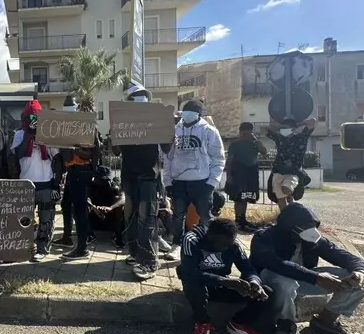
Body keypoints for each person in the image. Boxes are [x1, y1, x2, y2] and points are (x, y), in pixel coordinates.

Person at [250, 203, 364, 334]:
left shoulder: (313, 240)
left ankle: (326, 321)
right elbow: (275, 263)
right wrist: (316, 277)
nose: (307, 237)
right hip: (270, 283)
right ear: (288, 228)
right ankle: (285, 324)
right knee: (285, 282)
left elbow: (347, 257)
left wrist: (362, 271)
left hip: (305, 279)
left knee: (359, 281)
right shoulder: (264, 236)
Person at [178, 218, 273, 334]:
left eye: (229, 244)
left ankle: (239, 324)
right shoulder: (192, 239)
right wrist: (223, 280)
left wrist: (254, 282)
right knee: (193, 283)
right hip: (198, 284)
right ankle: (202, 322)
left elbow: (247, 268)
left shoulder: (233, 244)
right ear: (211, 237)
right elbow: (189, 271)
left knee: (266, 293)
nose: (227, 248)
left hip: (221, 286)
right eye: (223, 245)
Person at [114, 83, 173, 279]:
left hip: (149, 176)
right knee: (130, 217)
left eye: (142, 97)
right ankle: (135, 254)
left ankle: (149, 262)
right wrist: (114, 135)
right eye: (136, 98)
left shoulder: (156, 120)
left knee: (147, 217)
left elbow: (166, 147)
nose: (140, 101)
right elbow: (116, 150)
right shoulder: (123, 120)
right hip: (129, 176)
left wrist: (168, 131)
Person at [163, 99, 225, 261]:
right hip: (179, 182)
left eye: (191, 111)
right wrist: (168, 182)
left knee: (205, 216)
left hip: (201, 183)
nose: (187, 114)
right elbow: (168, 158)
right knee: (178, 216)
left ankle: (210, 247)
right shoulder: (174, 131)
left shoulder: (209, 131)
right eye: (185, 111)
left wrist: (212, 183)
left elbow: (218, 159)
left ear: (199, 114)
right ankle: (178, 244)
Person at [11, 100, 60, 262]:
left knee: (46, 218)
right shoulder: (19, 134)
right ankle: (25, 248)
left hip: (46, 183)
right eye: (30, 117)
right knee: (24, 220)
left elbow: (57, 160)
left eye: (36, 117)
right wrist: (28, 134)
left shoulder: (48, 134)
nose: (33, 121)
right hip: (26, 184)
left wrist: (56, 185)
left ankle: (42, 249)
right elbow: (16, 156)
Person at [60, 96, 101, 260]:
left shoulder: (85, 125)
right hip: (73, 170)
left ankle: (82, 247)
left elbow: (94, 149)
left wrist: (92, 168)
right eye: (66, 106)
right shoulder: (65, 126)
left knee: (80, 209)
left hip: (81, 171)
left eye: (71, 106)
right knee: (67, 204)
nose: (68, 109)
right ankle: (69, 238)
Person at [225, 122, 268, 232]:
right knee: (238, 198)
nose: (245, 135)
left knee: (246, 197)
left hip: (251, 173)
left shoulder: (254, 144)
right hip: (238, 173)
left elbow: (264, 152)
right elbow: (229, 161)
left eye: (248, 132)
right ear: (240, 132)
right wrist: (229, 175)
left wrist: (255, 140)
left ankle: (243, 220)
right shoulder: (235, 144)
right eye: (244, 132)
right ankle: (238, 221)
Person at [266, 118, 316, 209]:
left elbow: (312, 121)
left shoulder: (301, 137)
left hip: (293, 171)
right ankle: (286, 216)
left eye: (286, 128)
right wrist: (280, 126)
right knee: (280, 198)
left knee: (287, 190)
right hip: (278, 170)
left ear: (293, 129)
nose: (283, 130)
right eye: (282, 128)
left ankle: (292, 208)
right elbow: (264, 129)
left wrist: (298, 124)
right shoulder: (279, 138)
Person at [87, 166, 127, 248]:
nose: (105, 182)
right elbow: (85, 198)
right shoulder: (91, 186)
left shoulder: (115, 187)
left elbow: (123, 199)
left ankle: (117, 236)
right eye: (102, 180)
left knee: (118, 203)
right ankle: (89, 234)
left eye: (107, 179)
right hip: (95, 217)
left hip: (111, 218)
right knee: (80, 205)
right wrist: (94, 207)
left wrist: (111, 207)